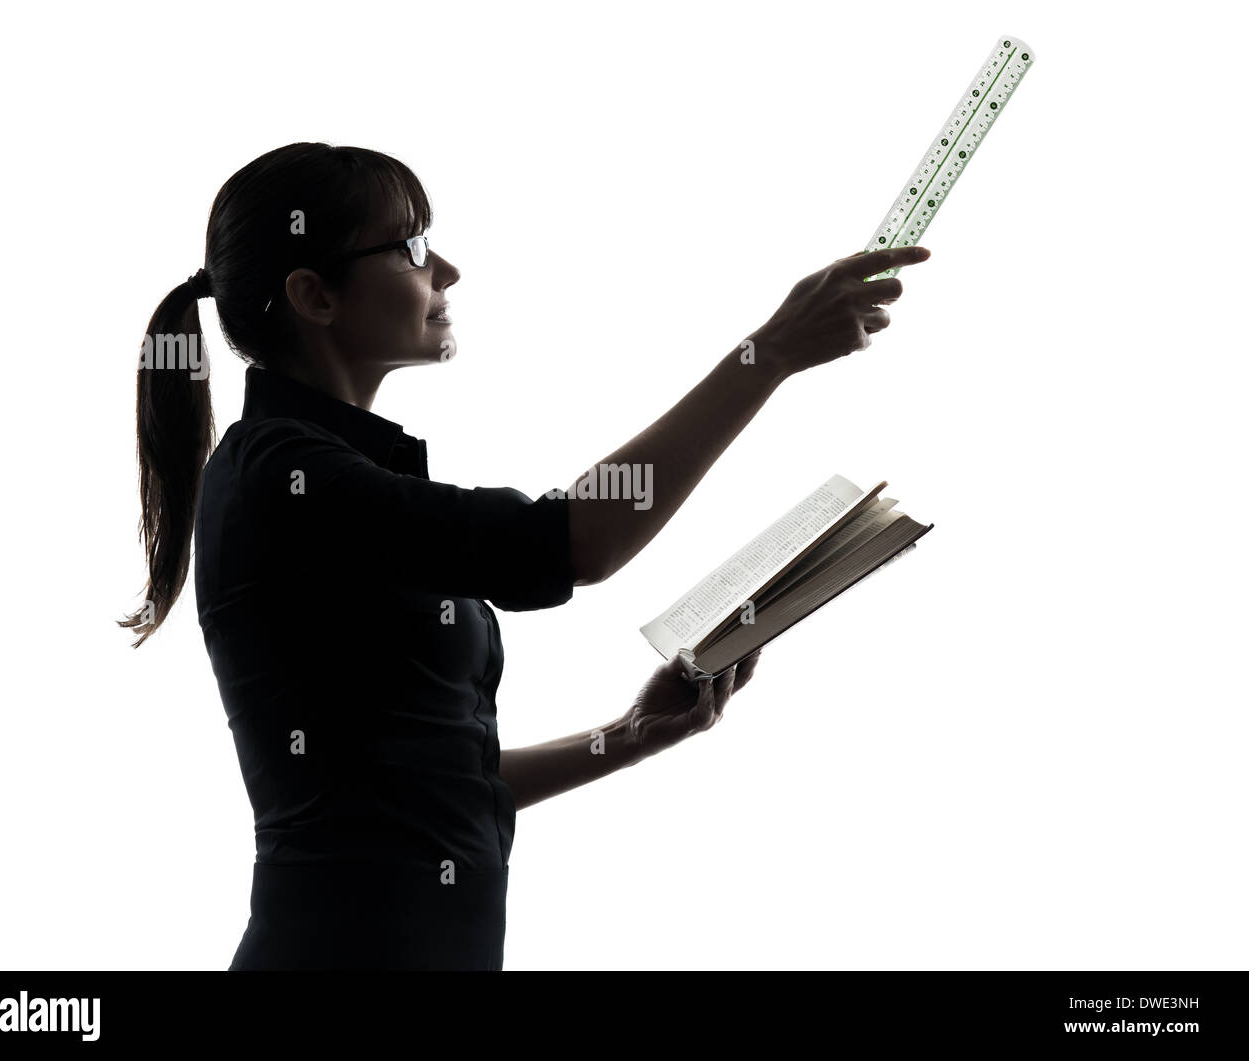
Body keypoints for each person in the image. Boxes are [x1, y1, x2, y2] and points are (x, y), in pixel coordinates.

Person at [118, 142, 930, 970]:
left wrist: (630, 735)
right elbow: (572, 541)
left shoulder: (329, 474)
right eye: (413, 248)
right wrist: (771, 354)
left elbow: (428, 791)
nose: (449, 272)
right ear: (313, 294)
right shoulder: (282, 474)